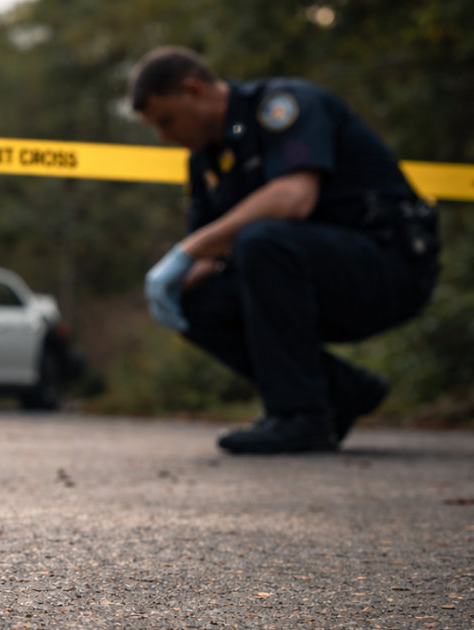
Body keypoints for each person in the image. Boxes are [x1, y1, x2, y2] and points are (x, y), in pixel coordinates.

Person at [129, 47, 439, 454]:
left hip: (388, 267)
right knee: (195, 298)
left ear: (194, 90)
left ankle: (298, 416)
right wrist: (174, 281)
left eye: (167, 120)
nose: (165, 137)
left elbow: (294, 197)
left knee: (262, 240)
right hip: (307, 278)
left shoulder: (284, 108)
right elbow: (207, 249)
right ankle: (341, 391)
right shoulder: (206, 160)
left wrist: (184, 251)